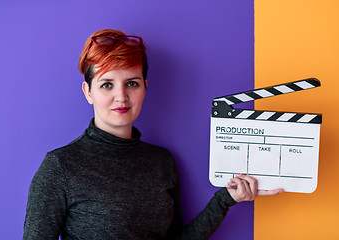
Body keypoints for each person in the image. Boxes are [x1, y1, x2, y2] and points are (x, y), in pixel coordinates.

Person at [23, 29, 283, 240]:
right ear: (88, 91)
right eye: (106, 85)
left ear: (145, 88)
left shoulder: (161, 161)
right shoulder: (60, 167)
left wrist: (226, 199)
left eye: (132, 83)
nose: (121, 96)